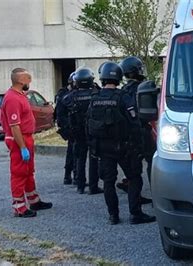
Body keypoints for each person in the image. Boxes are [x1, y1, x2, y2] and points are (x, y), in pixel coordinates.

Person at [87, 62, 156, 225]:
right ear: (118, 77)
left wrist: (93, 147)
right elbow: (134, 124)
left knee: (108, 182)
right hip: (124, 147)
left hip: (103, 148)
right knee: (134, 178)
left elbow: (88, 125)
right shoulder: (123, 97)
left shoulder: (94, 99)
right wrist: (139, 147)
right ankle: (135, 214)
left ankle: (113, 216)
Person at [1, 68, 53, 218]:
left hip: (25, 138)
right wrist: (22, 146)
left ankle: (33, 200)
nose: (30, 81)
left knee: (29, 171)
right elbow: (14, 125)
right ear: (21, 80)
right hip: (19, 139)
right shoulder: (12, 98)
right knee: (19, 172)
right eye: (28, 78)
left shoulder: (20, 96)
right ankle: (19, 206)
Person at [115, 56, 154, 205]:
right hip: (143, 129)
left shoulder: (123, 90)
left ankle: (132, 190)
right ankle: (155, 191)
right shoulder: (145, 86)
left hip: (129, 133)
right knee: (150, 160)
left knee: (134, 165)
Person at [62, 67, 104, 195]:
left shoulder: (69, 97)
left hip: (77, 132)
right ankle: (93, 186)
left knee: (80, 159)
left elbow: (62, 112)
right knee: (93, 158)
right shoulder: (96, 94)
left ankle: (80, 186)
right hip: (93, 131)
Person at [55, 73, 76, 185]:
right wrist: (66, 126)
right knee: (71, 151)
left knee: (74, 151)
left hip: (72, 125)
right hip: (68, 126)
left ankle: (76, 176)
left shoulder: (68, 93)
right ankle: (68, 176)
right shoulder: (64, 94)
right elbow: (59, 113)